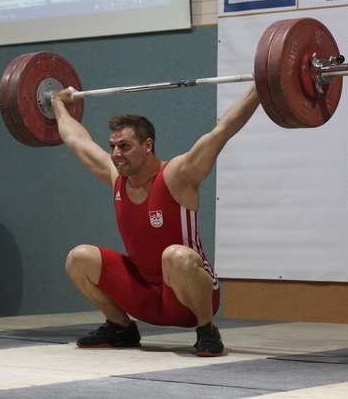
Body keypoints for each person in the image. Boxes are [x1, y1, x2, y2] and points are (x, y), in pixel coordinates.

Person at [51, 83, 260, 357]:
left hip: (188, 297)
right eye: (113, 146)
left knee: (175, 255)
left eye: (124, 146)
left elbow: (223, 131)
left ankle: (207, 329)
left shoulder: (178, 174)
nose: (116, 154)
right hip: (145, 296)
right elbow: (76, 140)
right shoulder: (116, 177)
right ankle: (120, 328)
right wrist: (56, 102)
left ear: (147, 145)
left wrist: (260, 87)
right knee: (79, 257)